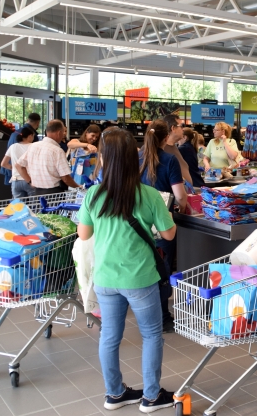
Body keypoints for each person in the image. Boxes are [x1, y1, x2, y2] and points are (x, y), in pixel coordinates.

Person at [77, 129, 176, 413]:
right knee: (151, 334)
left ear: (104, 159)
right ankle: (152, 396)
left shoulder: (93, 194)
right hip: (140, 277)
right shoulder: (149, 194)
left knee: (109, 336)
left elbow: (84, 235)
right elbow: (168, 235)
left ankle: (115, 393)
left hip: (106, 277)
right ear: (134, 158)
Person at [139, 120, 188, 333]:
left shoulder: (136, 157)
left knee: (145, 267)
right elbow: (179, 195)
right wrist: (183, 207)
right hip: (162, 221)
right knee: (163, 268)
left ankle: (145, 313)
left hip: (138, 221)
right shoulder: (169, 160)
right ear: (166, 136)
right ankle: (163, 316)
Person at [15, 120, 80, 195]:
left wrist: (30, 181)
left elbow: (18, 165)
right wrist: (78, 186)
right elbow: (65, 178)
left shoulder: (33, 146)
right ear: (59, 133)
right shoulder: (57, 151)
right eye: (63, 132)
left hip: (36, 192)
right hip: (54, 193)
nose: (63, 135)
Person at [1, 113, 41, 185]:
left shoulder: (15, 132)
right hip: (26, 174)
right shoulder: (32, 135)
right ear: (38, 123)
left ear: (27, 120)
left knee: (15, 195)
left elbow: (4, 162)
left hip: (12, 171)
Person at [0, 126, 36, 198]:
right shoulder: (34, 146)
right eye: (33, 136)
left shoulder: (13, 146)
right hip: (30, 180)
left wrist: (14, 168)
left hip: (16, 181)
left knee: (18, 207)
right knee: (34, 206)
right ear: (30, 136)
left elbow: (3, 164)